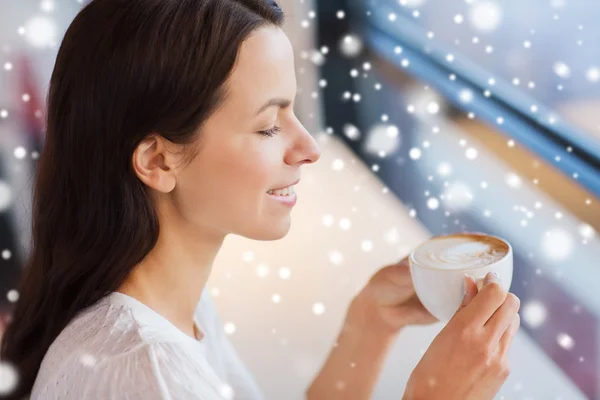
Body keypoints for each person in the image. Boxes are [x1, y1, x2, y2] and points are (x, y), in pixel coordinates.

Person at [0, 0, 521, 399]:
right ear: (159, 161)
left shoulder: (173, 310)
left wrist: (369, 325)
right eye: (269, 126)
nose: (309, 149)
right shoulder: (143, 371)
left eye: (292, 113)